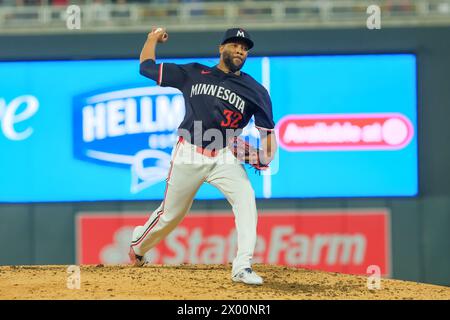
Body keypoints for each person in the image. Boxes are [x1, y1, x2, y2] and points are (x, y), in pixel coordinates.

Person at [129, 27, 277, 285]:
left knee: (246, 199)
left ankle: (242, 266)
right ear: (221, 48)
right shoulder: (193, 73)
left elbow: (267, 133)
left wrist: (265, 156)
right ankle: (139, 246)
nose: (240, 50)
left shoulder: (256, 91)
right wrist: (152, 39)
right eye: (234, 44)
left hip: (224, 154)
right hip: (189, 153)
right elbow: (146, 67)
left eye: (244, 47)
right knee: (171, 215)